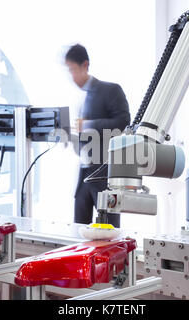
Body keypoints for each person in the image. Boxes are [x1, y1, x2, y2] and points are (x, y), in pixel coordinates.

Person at [65, 44, 130, 228]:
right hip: (84, 175)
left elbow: (123, 121)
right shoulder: (80, 98)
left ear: (85, 65)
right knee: (79, 234)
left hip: (106, 176)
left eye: (73, 70)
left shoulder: (110, 90)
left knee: (109, 234)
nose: (72, 77)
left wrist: (88, 125)